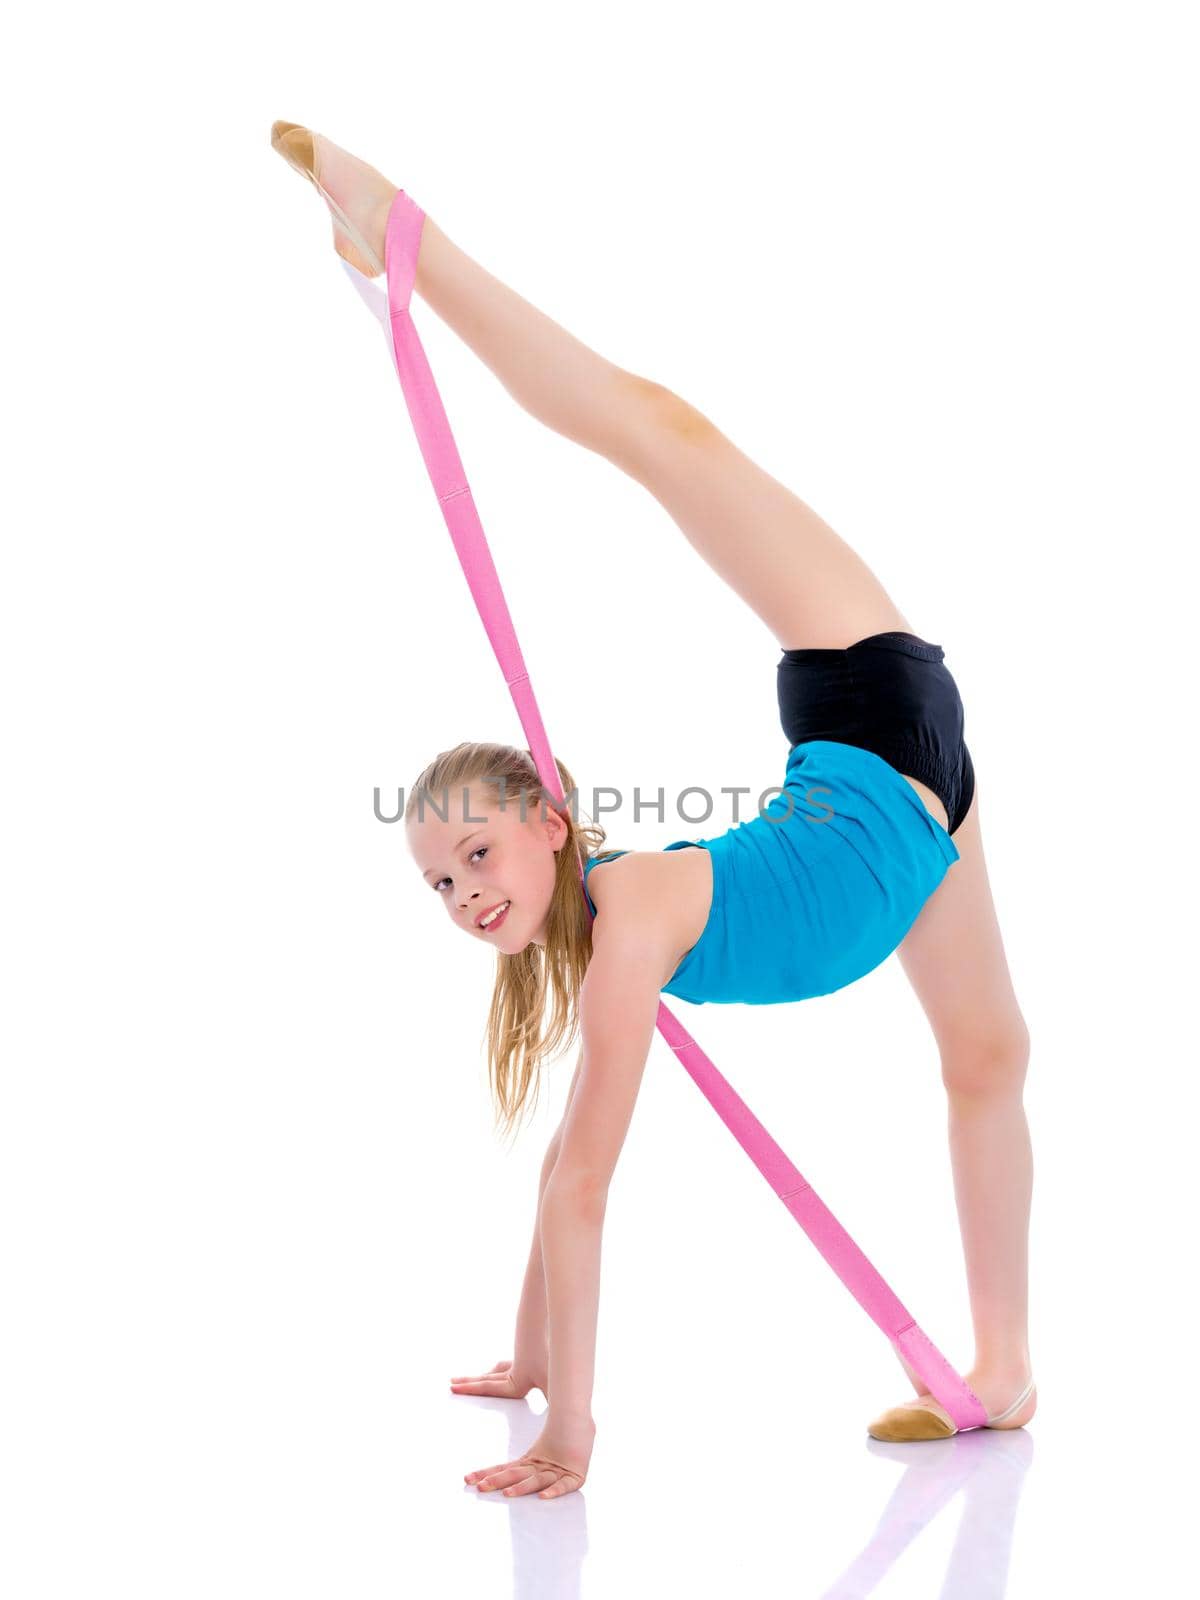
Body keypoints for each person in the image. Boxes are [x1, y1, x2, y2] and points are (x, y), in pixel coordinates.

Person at [271, 123, 1037, 1498]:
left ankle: (402, 237)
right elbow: (569, 1159)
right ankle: (1007, 1369)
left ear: (555, 825)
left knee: (657, 430)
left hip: (873, 708)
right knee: (987, 1058)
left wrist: (574, 1436)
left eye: (479, 853)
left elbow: (582, 1193)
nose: (465, 895)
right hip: (910, 816)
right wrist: (528, 1365)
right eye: (440, 883)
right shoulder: (606, 932)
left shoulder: (633, 913)